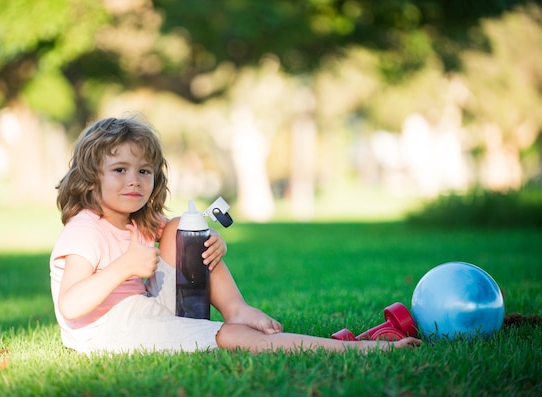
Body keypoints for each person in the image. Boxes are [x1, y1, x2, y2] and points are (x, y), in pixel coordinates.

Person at [50, 115, 421, 355]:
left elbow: (183, 249)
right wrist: (123, 267)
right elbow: (70, 304)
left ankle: (237, 309)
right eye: (119, 169)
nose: (134, 180)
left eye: (144, 171)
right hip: (108, 332)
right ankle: (357, 351)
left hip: (146, 309)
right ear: (90, 179)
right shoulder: (85, 229)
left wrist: (207, 247)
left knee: (186, 228)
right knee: (231, 338)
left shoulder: (140, 221)